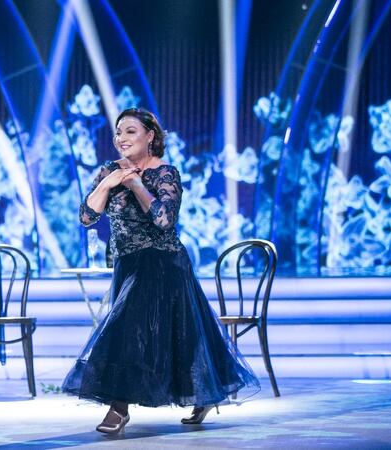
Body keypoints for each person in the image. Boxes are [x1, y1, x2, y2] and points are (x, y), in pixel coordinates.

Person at [61, 108, 259, 434]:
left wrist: (137, 184)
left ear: (150, 136)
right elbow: (86, 217)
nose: (121, 138)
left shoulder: (165, 173)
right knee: (181, 337)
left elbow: (164, 220)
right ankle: (205, 395)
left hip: (161, 263)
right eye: (118, 132)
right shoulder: (108, 171)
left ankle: (118, 407)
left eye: (130, 132)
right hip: (126, 264)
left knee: (126, 329)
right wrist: (109, 183)